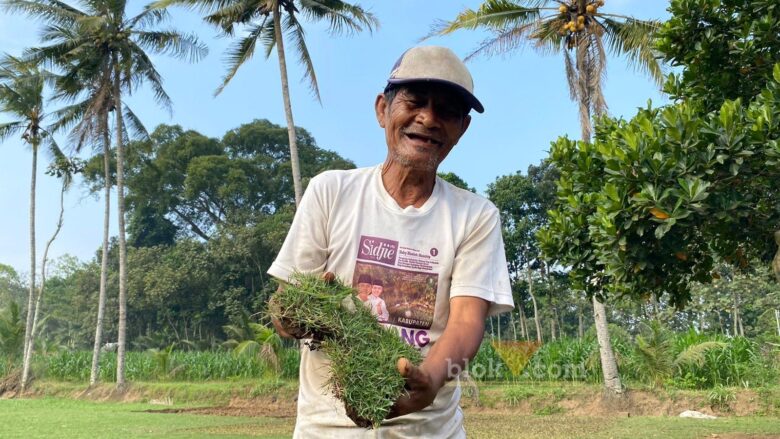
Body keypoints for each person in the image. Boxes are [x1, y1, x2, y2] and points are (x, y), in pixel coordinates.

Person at [269, 45, 513, 438]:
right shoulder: (331, 192)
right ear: (383, 109)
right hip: (328, 429)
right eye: (415, 102)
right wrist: (293, 315)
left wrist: (431, 380)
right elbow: (287, 305)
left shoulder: (475, 215)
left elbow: (467, 319)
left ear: (462, 128)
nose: (429, 119)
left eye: (446, 111)